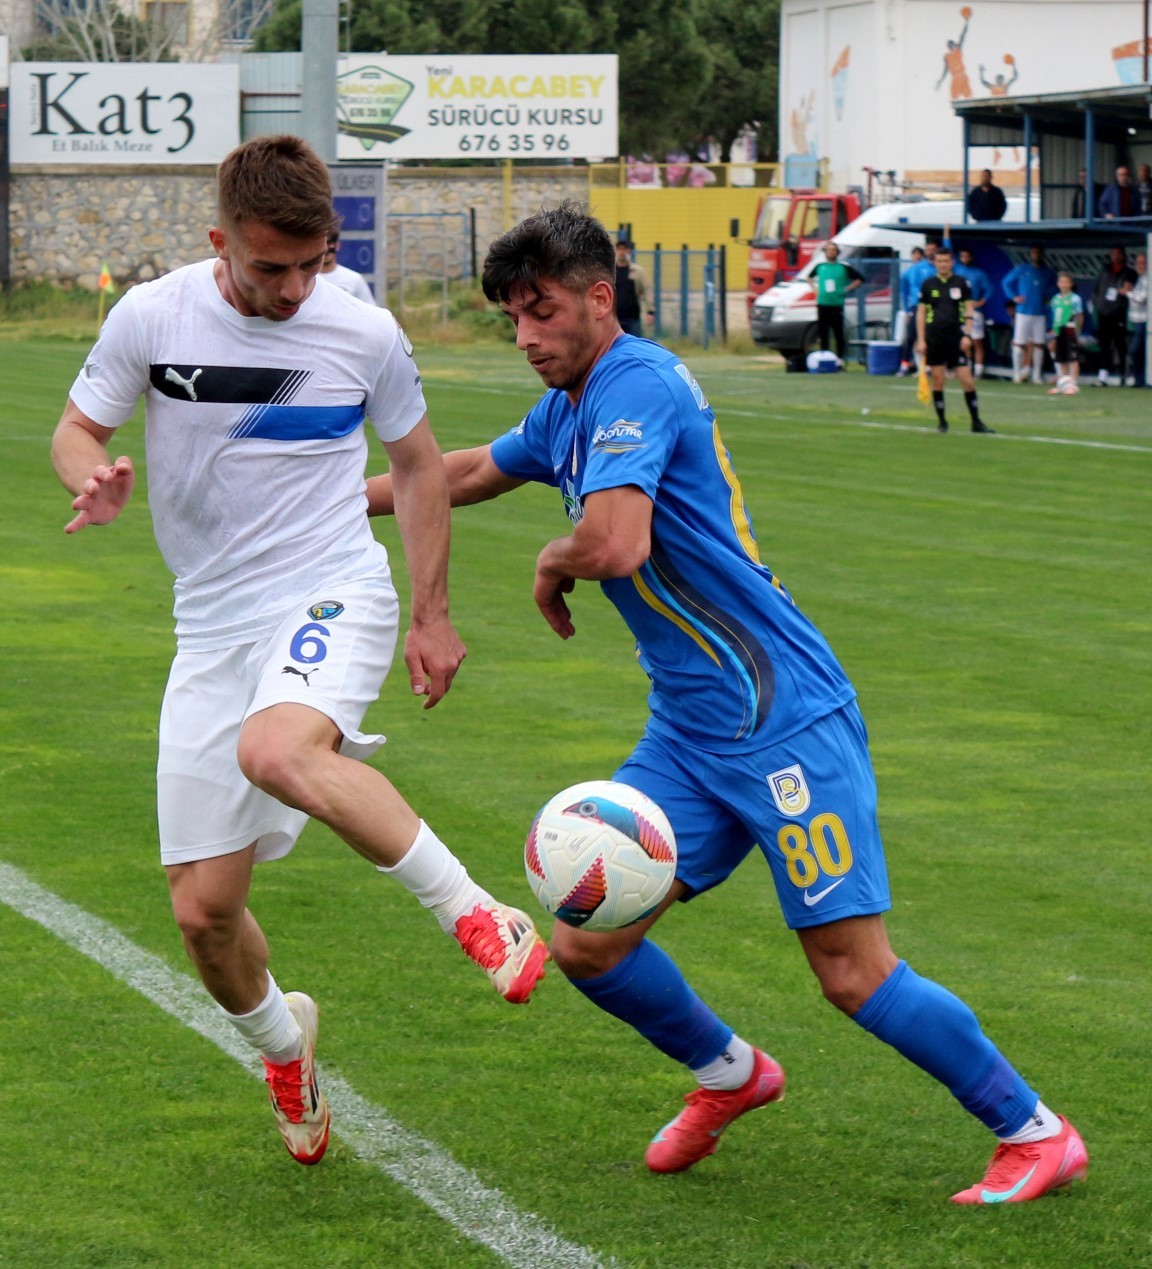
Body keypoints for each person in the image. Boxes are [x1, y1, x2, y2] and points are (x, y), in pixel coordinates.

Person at [365, 202, 1087, 1203]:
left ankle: (1034, 1130)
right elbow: (474, 469)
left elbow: (615, 543)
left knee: (849, 969)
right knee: (588, 937)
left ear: (598, 299)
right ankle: (731, 1074)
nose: (525, 336)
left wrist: (550, 557)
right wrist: (327, 493)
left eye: (540, 311)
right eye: (511, 319)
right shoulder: (570, 405)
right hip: (692, 732)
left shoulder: (637, 383)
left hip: (782, 715)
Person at [49, 135, 548, 1169]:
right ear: (217, 241)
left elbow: (415, 466)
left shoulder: (359, 327)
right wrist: (89, 474)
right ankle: (286, 1048)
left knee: (277, 750)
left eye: (310, 262)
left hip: (331, 584)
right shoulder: (151, 316)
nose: (291, 287)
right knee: (204, 915)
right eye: (268, 266)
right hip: (211, 623)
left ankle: (478, 912)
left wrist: (431, 612)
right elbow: (75, 428)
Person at [916, 246, 992, 433]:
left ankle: (976, 422)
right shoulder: (927, 284)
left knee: (967, 380)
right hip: (934, 337)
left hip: (956, 337)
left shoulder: (962, 283)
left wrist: (967, 334)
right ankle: (942, 422)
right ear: (935, 263)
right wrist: (921, 340)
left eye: (946, 261)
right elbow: (921, 314)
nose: (942, 264)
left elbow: (968, 310)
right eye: (939, 261)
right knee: (939, 380)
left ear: (952, 262)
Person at [1002, 244, 1057, 383]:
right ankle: (1016, 373)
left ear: (1042, 254)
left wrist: (1048, 295)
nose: (1036, 255)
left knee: (1039, 344)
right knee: (1019, 343)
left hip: (1040, 312)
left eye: (1038, 252)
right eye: (1033, 252)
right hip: (1023, 312)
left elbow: (1055, 287)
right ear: (1030, 254)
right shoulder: (1022, 269)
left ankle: (1037, 375)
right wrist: (1014, 297)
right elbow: (1006, 282)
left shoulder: (1048, 272)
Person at [807, 241, 864, 361]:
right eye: (828, 250)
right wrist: (815, 289)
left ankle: (839, 359)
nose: (831, 252)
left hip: (836, 304)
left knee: (838, 332)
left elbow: (860, 279)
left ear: (837, 252)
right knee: (823, 332)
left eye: (833, 250)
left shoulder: (843, 266)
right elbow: (809, 277)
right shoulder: (820, 266)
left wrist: (846, 289)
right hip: (823, 303)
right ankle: (825, 357)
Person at [1091, 244, 1137, 386]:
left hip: (1119, 314)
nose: (1116, 256)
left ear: (1123, 255)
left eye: (1118, 254)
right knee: (1104, 345)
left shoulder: (1129, 272)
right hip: (1104, 313)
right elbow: (1097, 289)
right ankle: (1103, 377)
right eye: (1114, 254)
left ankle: (1123, 375)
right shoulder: (1105, 270)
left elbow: (1130, 290)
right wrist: (1098, 304)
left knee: (1120, 345)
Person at [897, 243, 937, 375]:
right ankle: (905, 365)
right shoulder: (916, 269)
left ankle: (929, 366)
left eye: (932, 250)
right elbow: (907, 290)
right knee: (912, 335)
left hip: (936, 306)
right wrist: (908, 309)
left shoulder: (938, 268)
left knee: (933, 336)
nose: (930, 252)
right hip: (918, 306)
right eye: (928, 250)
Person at [954, 246, 992, 377]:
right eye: (962, 256)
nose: (964, 259)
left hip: (975, 312)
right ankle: (967, 369)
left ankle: (979, 372)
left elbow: (989, 289)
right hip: (960, 311)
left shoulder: (978, 273)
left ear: (971, 257)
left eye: (967, 256)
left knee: (977, 342)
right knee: (964, 342)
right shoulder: (957, 271)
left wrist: (981, 301)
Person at [1046, 272, 1084, 395]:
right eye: (1061, 282)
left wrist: (1078, 332)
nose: (1063, 284)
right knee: (1061, 358)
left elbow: (1080, 316)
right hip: (1059, 330)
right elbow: (1055, 318)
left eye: (1066, 282)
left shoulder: (1075, 299)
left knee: (1072, 357)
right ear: (1058, 284)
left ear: (1071, 284)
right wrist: (1053, 334)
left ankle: (1073, 384)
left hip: (1070, 329)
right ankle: (1063, 383)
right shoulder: (1055, 299)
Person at [318, 230, 376, 304]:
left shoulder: (354, 279)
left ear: (337, 246)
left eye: (329, 244)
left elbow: (369, 311)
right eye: (321, 245)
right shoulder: (307, 279)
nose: (325, 250)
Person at [614, 237, 650, 336]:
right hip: (614, 318)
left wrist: (650, 311)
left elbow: (647, 291)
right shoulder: (611, 271)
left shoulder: (637, 272)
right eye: (619, 249)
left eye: (624, 249)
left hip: (633, 318)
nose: (622, 252)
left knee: (635, 346)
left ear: (628, 251)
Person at [1126, 251, 1148, 387]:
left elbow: (1141, 298)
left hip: (1144, 320)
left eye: (1143, 262)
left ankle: (1142, 378)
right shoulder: (1140, 277)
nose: (1140, 265)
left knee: (1136, 350)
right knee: (1138, 352)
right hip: (1136, 320)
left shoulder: (1148, 278)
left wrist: (1127, 292)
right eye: (1138, 263)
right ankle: (1139, 379)